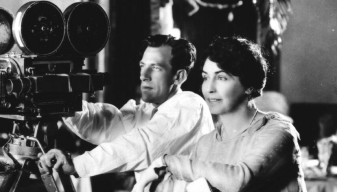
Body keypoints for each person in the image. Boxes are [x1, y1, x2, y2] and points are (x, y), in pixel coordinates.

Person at [132, 36, 307, 192]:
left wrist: (165, 161)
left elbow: (239, 180)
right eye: (206, 77)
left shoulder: (278, 132)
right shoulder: (206, 143)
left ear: (249, 85)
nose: (209, 88)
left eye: (221, 77)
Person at [38, 34, 214, 186]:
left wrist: (78, 165)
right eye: (142, 66)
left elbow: (143, 145)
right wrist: (62, 101)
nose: (143, 76)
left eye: (155, 68)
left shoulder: (190, 105)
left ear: (179, 76)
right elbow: (104, 125)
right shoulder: (148, 111)